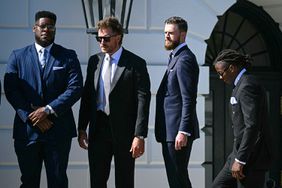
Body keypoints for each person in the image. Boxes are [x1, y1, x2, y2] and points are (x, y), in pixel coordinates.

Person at [4, 10, 83, 188]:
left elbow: (76, 88)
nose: (46, 29)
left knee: (58, 182)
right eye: (42, 26)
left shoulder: (68, 56)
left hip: (58, 130)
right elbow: (11, 90)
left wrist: (47, 110)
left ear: (55, 30)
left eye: (50, 27)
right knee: (29, 182)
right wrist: (32, 116)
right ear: (34, 28)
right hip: (27, 132)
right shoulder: (17, 56)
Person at [77, 17, 151, 188]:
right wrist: (82, 128)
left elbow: (143, 101)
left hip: (125, 132)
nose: (102, 42)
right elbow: (87, 96)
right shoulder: (94, 61)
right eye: (99, 38)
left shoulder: (136, 63)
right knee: (97, 180)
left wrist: (139, 135)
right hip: (98, 129)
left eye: (106, 38)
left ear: (118, 37)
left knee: (124, 181)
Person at [212, 49, 272, 188]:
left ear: (232, 68)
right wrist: (236, 156)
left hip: (251, 157)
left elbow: (252, 126)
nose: (220, 78)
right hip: (238, 153)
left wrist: (241, 160)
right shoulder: (239, 85)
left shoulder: (247, 85)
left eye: (221, 73)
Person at [155, 16, 200, 188]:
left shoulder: (184, 59)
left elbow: (188, 99)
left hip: (177, 132)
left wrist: (183, 131)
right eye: (165, 33)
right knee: (175, 179)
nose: (166, 36)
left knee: (178, 179)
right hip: (170, 130)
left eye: (171, 33)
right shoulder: (175, 57)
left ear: (182, 35)